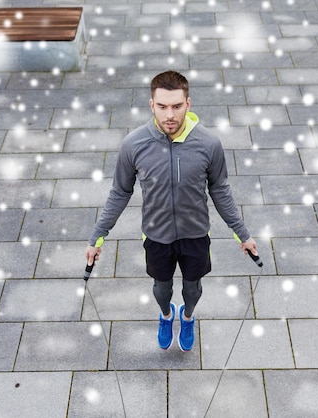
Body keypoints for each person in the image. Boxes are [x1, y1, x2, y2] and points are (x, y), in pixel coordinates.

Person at [85, 70, 257, 352]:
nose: (170, 115)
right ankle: (166, 315)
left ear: (188, 104)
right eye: (162, 106)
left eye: (177, 106)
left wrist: (243, 235)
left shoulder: (209, 144)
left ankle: (187, 317)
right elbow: (119, 192)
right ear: (151, 105)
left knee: (192, 289)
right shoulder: (133, 145)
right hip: (157, 236)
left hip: (195, 234)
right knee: (162, 289)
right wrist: (96, 238)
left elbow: (220, 190)